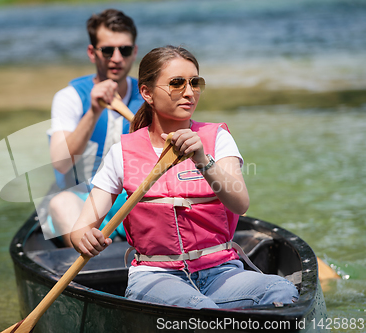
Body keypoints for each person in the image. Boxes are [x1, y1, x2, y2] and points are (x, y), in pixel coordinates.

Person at [70, 46, 299, 309]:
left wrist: (202, 159)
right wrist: (85, 239)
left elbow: (240, 203)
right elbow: (81, 230)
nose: (189, 92)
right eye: (177, 83)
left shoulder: (217, 138)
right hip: (155, 276)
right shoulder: (121, 152)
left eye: (195, 83)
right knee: (200, 310)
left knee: (282, 292)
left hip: (221, 271)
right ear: (146, 93)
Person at [48, 9, 143, 246]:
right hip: (81, 200)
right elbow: (60, 163)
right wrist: (93, 111)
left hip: (133, 200)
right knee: (59, 203)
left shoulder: (148, 96)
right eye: (108, 50)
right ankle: (86, 260)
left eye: (125, 49)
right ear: (92, 53)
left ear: (135, 52)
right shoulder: (70, 97)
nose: (117, 58)